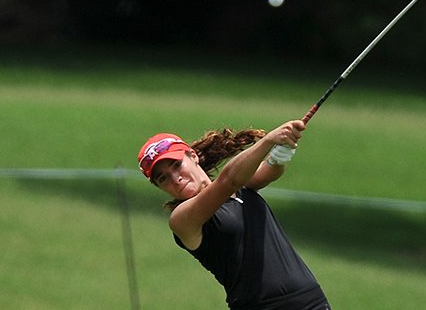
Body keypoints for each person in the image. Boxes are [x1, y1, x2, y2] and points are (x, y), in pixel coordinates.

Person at [137, 120, 331, 310]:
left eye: (176, 165)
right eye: (163, 178)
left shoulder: (239, 187)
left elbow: (269, 171)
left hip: (311, 300)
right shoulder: (182, 220)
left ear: (193, 156)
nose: (175, 178)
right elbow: (228, 180)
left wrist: (282, 153)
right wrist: (269, 140)